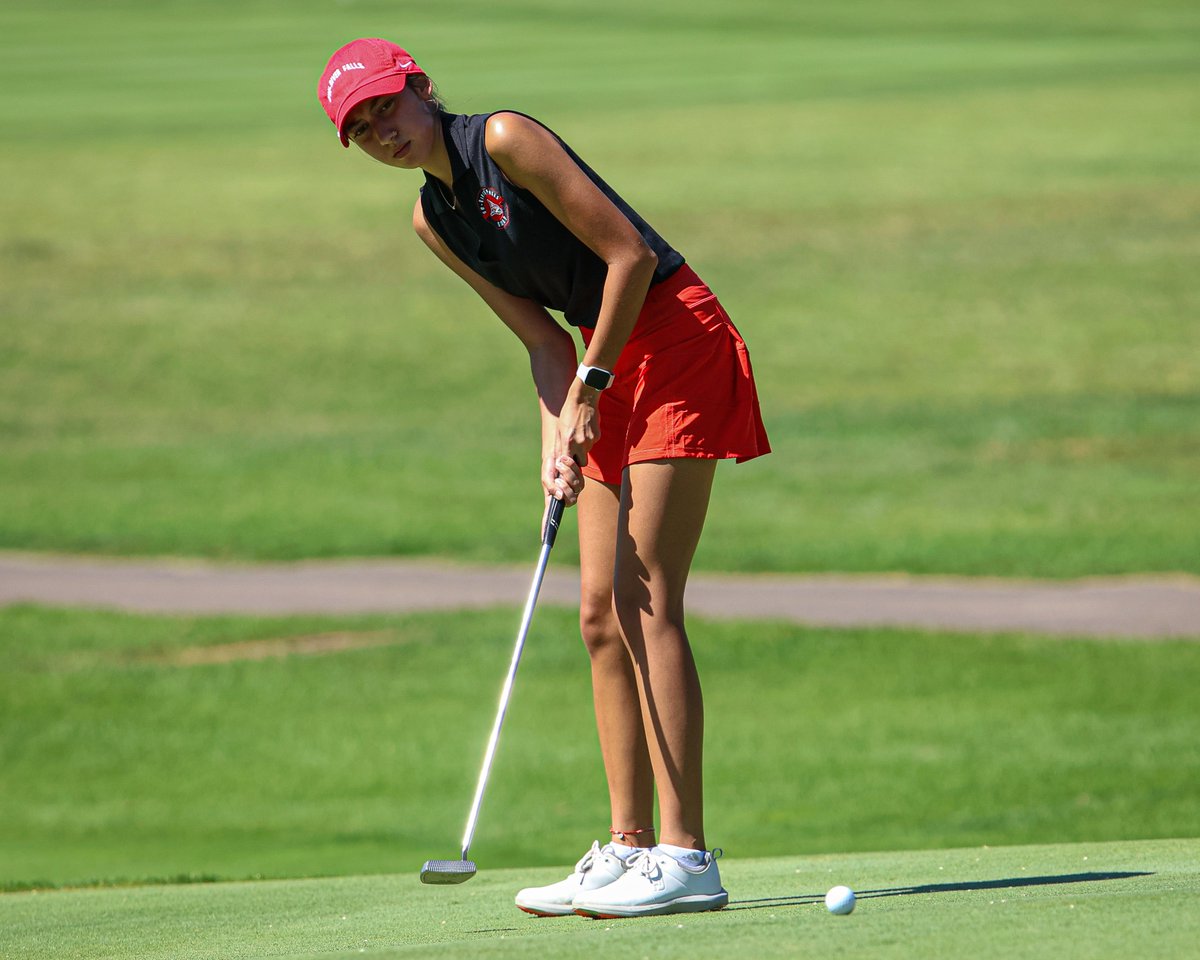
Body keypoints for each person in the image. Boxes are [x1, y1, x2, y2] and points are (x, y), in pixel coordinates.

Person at [318, 38, 770, 919]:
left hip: (673, 339)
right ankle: (629, 847)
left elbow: (629, 259)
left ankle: (688, 856)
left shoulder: (506, 140)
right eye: (361, 129)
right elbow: (543, 341)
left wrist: (591, 391)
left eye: (388, 108)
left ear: (421, 90)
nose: (383, 132)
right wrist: (554, 436)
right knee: (598, 612)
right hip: (600, 364)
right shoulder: (431, 221)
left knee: (647, 599)